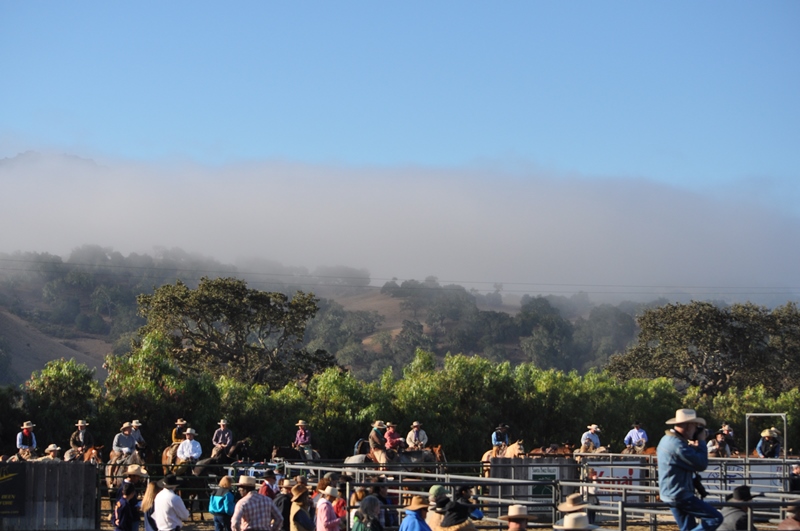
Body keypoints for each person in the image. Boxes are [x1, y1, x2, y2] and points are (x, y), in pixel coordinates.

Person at [657, 408, 723, 531]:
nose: (696, 429)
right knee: (715, 518)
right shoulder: (677, 445)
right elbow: (701, 464)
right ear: (688, 426)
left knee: (688, 528)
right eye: (695, 426)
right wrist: (701, 442)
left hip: (671, 494)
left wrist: (693, 448)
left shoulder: (667, 440)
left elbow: (683, 460)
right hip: (680, 495)